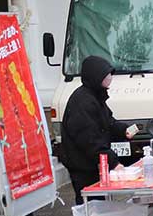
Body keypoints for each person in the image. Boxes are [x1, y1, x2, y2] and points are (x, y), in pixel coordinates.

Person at [58, 56, 136, 204]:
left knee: (101, 203)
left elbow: (108, 121)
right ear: (95, 77)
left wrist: (123, 130)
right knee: (90, 205)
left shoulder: (95, 96)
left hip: (94, 163)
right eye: (106, 75)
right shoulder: (82, 102)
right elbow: (89, 140)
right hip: (82, 165)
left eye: (110, 74)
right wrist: (113, 162)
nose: (110, 78)